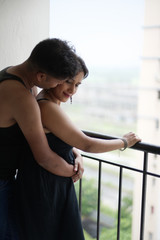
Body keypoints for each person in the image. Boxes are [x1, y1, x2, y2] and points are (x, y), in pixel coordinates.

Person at [15, 56, 141, 240]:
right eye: (68, 82)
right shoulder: (47, 107)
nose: (72, 90)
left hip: (49, 182)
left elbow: (61, 140)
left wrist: (76, 154)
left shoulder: (47, 101)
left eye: (78, 85)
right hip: (46, 187)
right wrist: (123, 142)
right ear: (55, 77)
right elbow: (87, 143)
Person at [0, 38, 85, 240]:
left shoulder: (11, 74)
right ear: (41, 75)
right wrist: (73, 171)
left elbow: (40, 135)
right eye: (58, 81)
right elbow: (44, 157)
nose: (57, 86)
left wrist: (74, 151)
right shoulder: (22, 97)